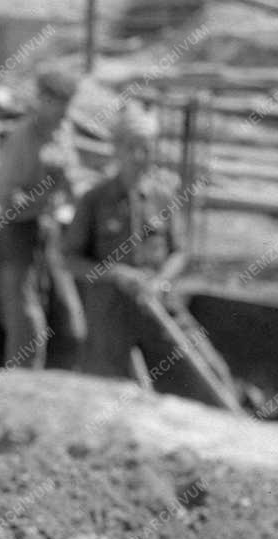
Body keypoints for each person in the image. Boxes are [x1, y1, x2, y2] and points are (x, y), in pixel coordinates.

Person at [63, 103, 201, 389]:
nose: (140, 157)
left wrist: (160, 281)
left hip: (158, 305)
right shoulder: (94, 200)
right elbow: (70, 259)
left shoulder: (163, 197)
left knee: (201, 371)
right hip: (110, 312)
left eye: (146, 148)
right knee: (104, 389)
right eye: (131, 148)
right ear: (117, 151)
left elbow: (180, 251)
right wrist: (114, 274)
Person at [0, 66, 87, 370]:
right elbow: (7, 200)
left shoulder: (62, 132)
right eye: (59, 103)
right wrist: (42, 197)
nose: (64, 111)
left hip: (49, 235)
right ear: (43, 100)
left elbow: (74, 183)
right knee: (28, 334)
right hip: (17, 237)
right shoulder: (22, 138)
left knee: (72, 327)